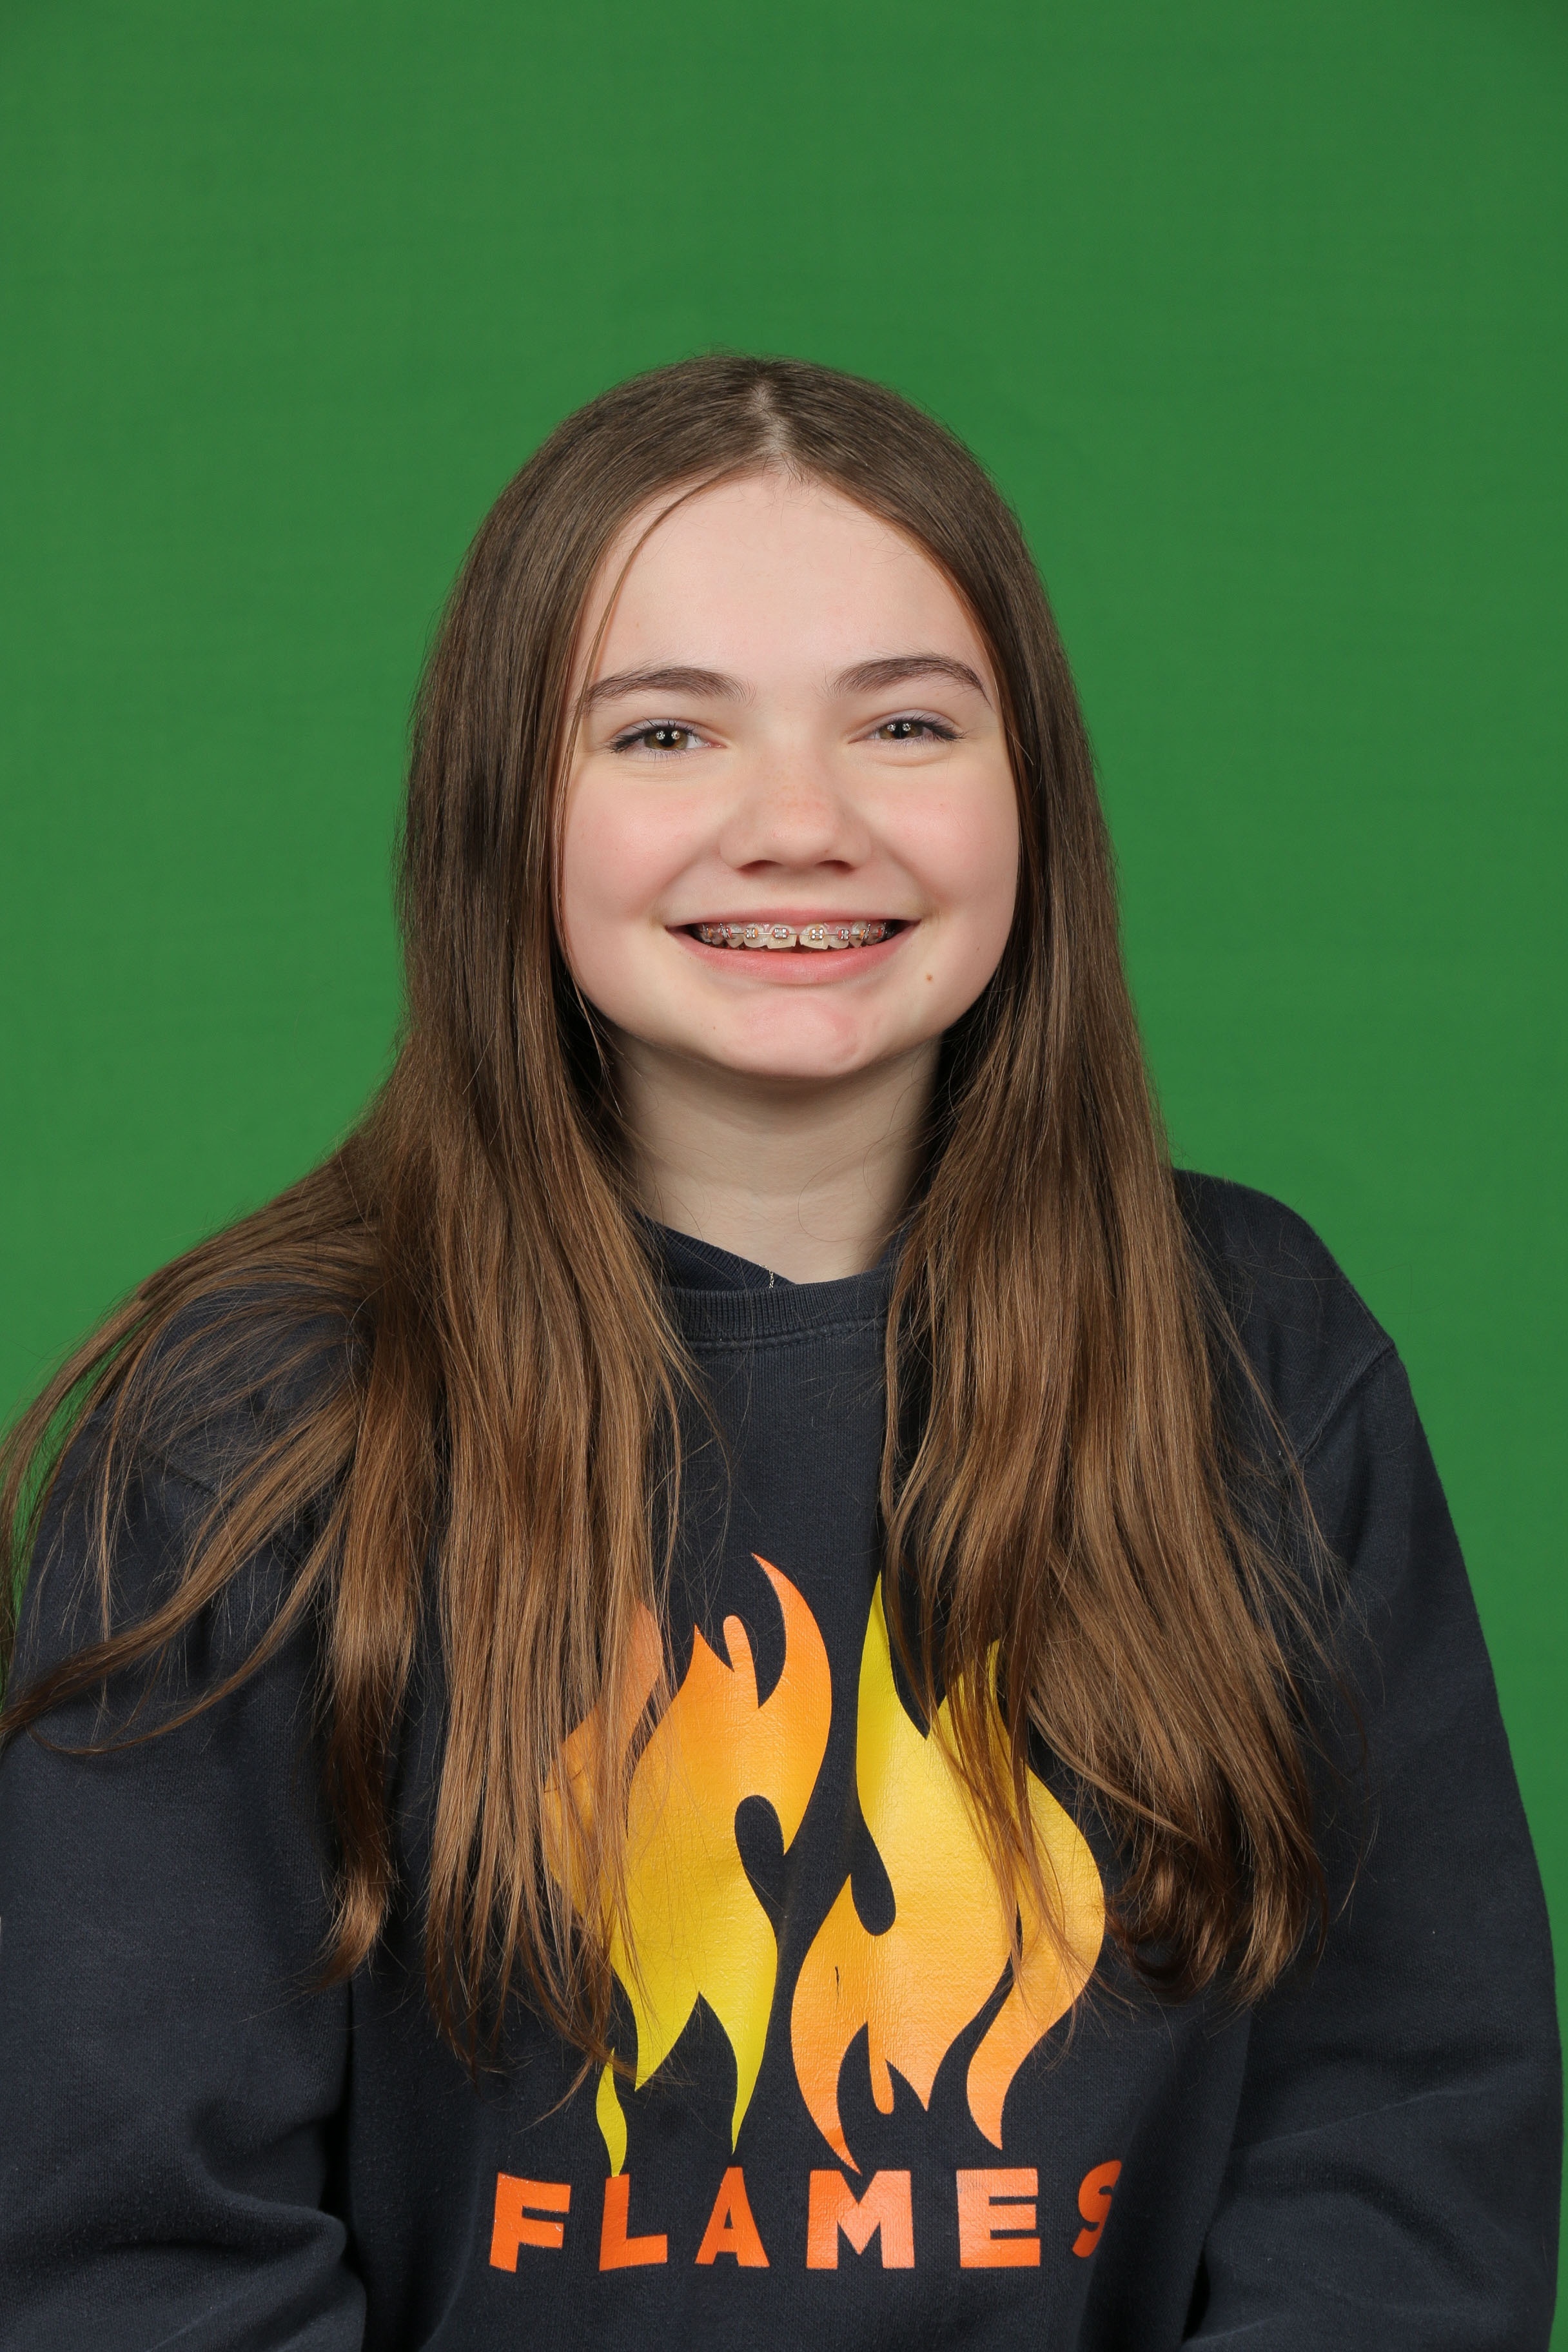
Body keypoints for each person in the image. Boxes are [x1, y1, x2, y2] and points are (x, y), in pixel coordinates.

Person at [0, 355, 1557, 2351]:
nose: (802, 826)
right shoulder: (245, 1430)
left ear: (1033, 796)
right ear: (506, 807)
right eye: (665, 731)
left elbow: (1408, 2145)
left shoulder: (1260, 1356)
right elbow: (132, 2245)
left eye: (906, 722)